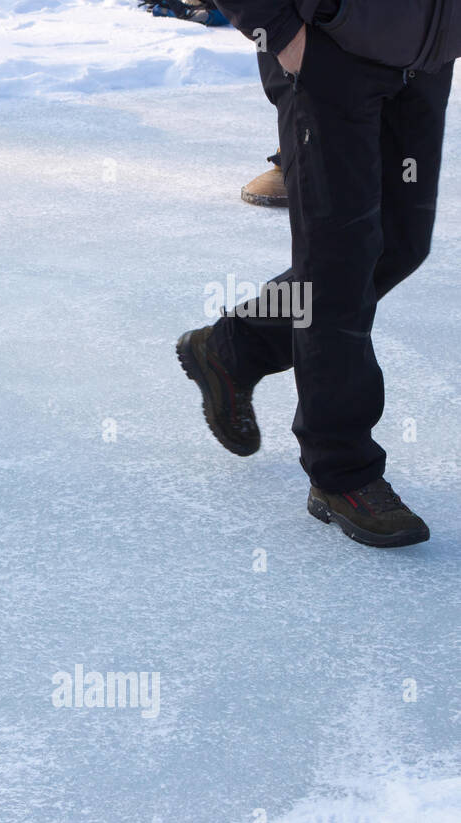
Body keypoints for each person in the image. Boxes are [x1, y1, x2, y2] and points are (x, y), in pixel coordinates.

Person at [177, 0, 461, 548]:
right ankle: (343, 474)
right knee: (336, 269)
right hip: (329, 53)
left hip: (426, 56)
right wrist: (282, 31)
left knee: (399, 246)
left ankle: (235, 348)